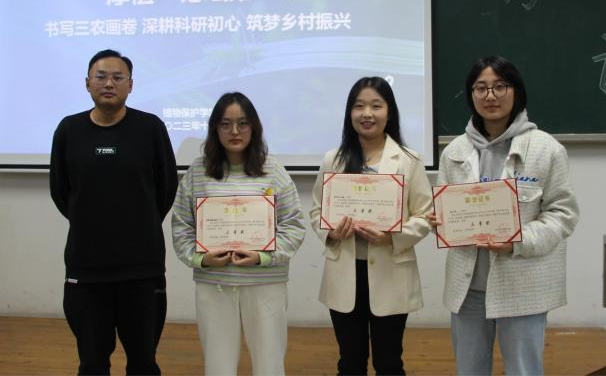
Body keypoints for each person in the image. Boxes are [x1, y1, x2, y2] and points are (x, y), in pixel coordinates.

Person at [428, 55, 580, 375]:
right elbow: (444, 212)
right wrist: (438, 221)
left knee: (524, 370)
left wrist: (517, 241)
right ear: (471, 95)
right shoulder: (454, 151)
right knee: (469, 369)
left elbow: (563, 214)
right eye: (480, 88)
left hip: (523, 284)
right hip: (468, 288)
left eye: (500, 86)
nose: (490, 96)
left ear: (516, 91)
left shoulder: (546, 149)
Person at [49, 49, 178, 375]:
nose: (109, 83)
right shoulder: (69, 129)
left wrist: (138, 223)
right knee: (92, 363)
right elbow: (61, 191)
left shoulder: (150, 128)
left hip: (142, 269)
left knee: (143, 362)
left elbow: (166, 188)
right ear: (87, 83)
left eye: (118, 77)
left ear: (130, 85)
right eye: (101, 76)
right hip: (87, 268)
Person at [171, 92, 306, 376]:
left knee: (270, 364)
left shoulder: (273, 170)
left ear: (254, 127)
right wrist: (201, 259)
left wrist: (264, 257)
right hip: (215, 283)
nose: (235, 131)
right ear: (215, 128)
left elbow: (294, 224)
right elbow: (181, 225)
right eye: (226, 124)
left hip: (265, 281)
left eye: (243, 123)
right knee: (218, 365)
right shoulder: (198, 171)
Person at [309, 77, 432, 375]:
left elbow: (425, 215)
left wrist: (393, 236)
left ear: (389, 113)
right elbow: (316, 210)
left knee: (389, 363)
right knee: (349, 363)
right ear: (349, 113)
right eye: (359, 106)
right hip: (344, 270)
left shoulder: (409, 160)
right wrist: (330, 231)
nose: (367, 114)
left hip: (391, 271)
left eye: (376, 106)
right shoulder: (333, 159)